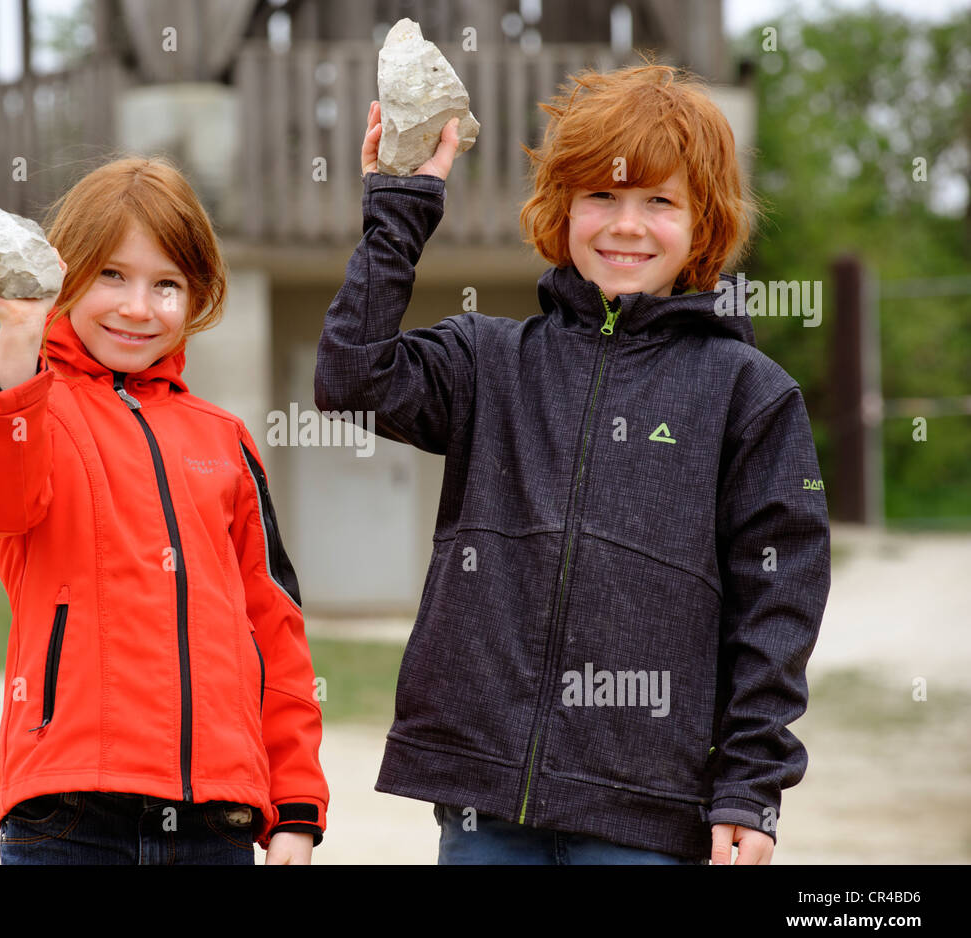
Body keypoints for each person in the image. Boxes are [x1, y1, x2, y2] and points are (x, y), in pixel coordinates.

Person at [314, 64, 831, 865]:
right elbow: (352, 379)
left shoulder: (750, 395)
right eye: (601, 197)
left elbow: (778, 604)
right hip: (486, 807)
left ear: (705, 222)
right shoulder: (488, 359)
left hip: (649, 819)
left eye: (659, 201)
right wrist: (399, 209)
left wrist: (751, 784)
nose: (626, 224)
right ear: (562, 210)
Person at [0, 155, 327, 865]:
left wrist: (297, 808)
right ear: (68, 273)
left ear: (197, 295)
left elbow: (274, 627)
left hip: (217, 822)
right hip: (70, 815)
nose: (137, 307)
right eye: (112, 275)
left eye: (167, 285)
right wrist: (20, 341)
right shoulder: (25, 401)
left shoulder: (225, 441)